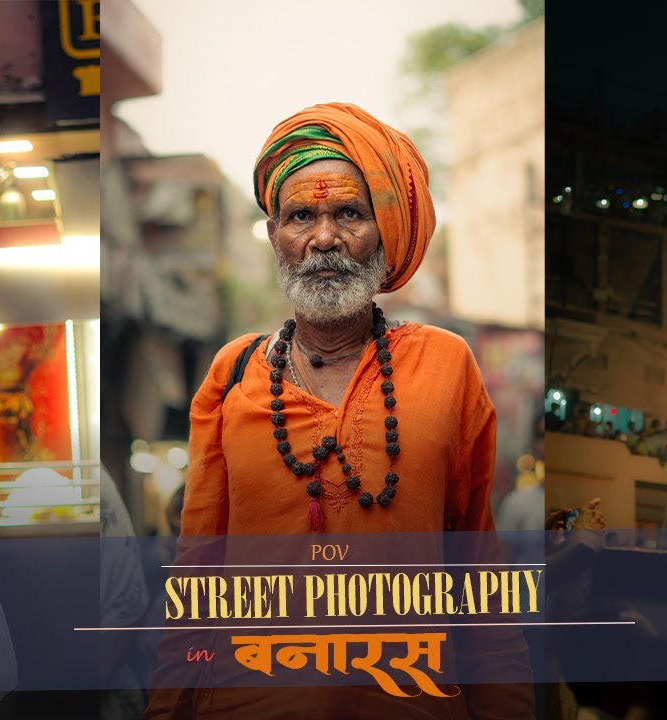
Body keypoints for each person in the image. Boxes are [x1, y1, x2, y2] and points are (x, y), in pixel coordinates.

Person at [146, 103, 531, 719]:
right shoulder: (233, 372)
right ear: (275, 235)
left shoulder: (446, 363)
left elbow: (477, 569)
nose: (324, 238)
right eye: (301, 216)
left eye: (349, 213)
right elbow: (197, 574)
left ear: (385, 230)